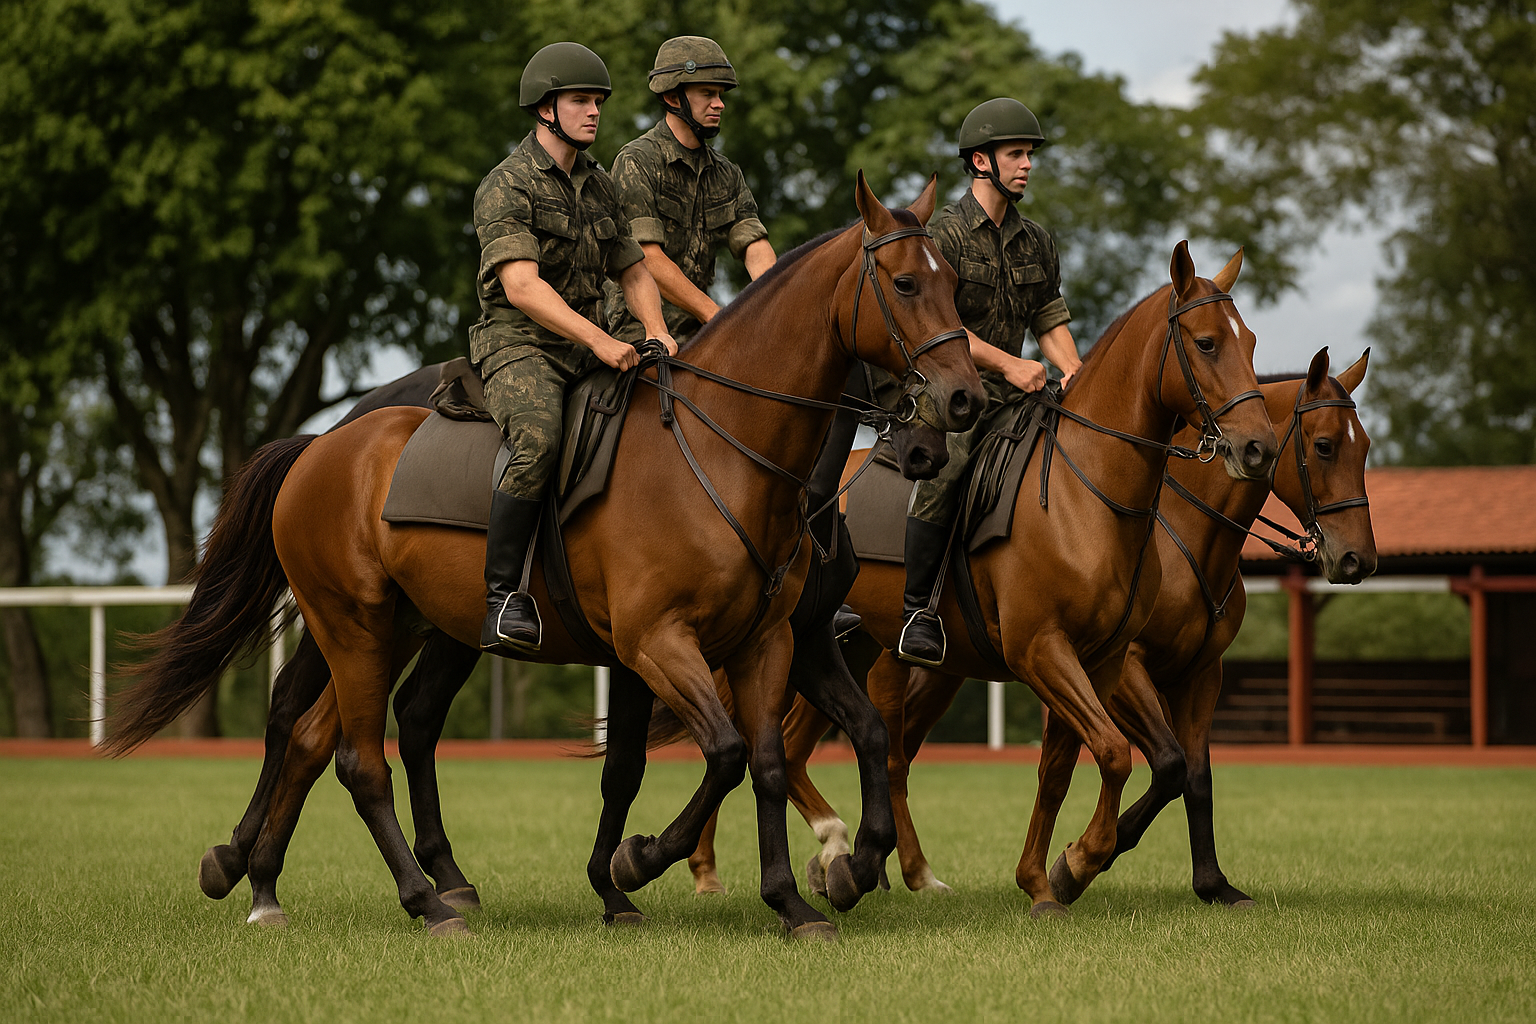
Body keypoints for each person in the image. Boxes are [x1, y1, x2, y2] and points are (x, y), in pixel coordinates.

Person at [470, 42, 675, 657]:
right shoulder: (505, 185)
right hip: (522, 344)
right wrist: (603, 341)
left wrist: (656, 331)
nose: (594, 113)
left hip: (595, 341)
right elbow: (522, 287)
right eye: (581, 101)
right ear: (545, 110)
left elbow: (634, 271)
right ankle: (502, 597)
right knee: (538, 438)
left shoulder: (603, 185)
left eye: (599, 103)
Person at [897, 97, 1083, 667]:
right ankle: (917, 609)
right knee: (950, 466)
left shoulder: (1037, 242)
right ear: (981, 162)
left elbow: (1048, 321)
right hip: (949, 396)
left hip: (1019, 394)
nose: (1027, 165)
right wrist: (1008, 364)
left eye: (1029, 155)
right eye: (1016, 154)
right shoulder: (943, 237)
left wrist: (1074, 370)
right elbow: (941, 330)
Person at [606, 35, 776, 345]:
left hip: (701, 331)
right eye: (707, 93)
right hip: (638, 331)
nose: (719, 104)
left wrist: (779, 301)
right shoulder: (637, 162)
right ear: (673, 98)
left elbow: (754, 246)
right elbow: (648, 258)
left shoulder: (726, 173)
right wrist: (717, 315)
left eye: (721, 94)